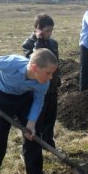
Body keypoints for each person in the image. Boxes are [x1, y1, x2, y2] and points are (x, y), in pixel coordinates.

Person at [22, 13, 60, 149]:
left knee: (50, 117)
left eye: (51, 31)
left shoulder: (53, 43)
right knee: (38, 119)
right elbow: (34, 62)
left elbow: (55, 64)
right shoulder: (29, 44)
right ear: (38, 28)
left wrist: (57, 81)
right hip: (37, 90)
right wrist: (38, 41)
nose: (49, 34)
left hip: (52, 87)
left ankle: (49, 144)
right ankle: (34, 147)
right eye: (47, 31)